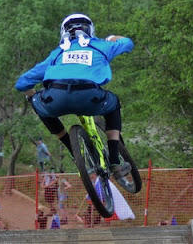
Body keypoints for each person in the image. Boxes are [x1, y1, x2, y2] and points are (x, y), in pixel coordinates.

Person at [15, 14, 134, 181]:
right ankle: (115, 161)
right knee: (113, 103)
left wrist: (32, 97)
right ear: (90, 30)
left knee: (38, 104)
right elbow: (128, 43)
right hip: (90, 97)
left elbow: (22, 83)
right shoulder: (101, 46)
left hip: (56, 99)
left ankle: (72, 149)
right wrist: (111, 38)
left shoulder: (57, 54)